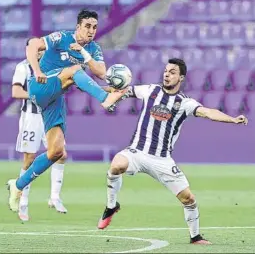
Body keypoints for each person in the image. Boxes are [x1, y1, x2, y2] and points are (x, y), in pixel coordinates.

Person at [97, 58, 248, 245]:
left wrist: (232, 119)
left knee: (188, 198)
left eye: (172, 72)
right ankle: (111, 206)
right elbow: (118, 90)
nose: (167, 74)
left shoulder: (184, 103)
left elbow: (208, 112)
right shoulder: (149, 90)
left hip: (162, 160)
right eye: (166, 71)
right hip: (137, 152)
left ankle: (195, 236)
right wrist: (87, 87)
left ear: (181, 78)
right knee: (116, 165)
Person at [7, 9, 126, 212]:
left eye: (94, 27)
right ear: (78, 26)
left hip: (54, 98)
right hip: (39, 86)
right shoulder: (62, 37)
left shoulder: (93, 49)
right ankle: (105, 100)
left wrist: (84, 54)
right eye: (87, 26)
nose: (91, 31)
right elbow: (34, 44)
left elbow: (101, 73)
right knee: (75, 71)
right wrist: (36, 70)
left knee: (56, 152)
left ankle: (17, 185)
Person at [12, 50, 67, 221]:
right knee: (29, 159)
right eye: (37, 50)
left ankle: (54, 197)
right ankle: (23, 201)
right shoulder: (23, 67)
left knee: (61, 154)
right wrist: (37, 94)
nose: (41, 53)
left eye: (43, 50)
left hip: (49, 116)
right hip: (31, 118)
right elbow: (15, 92)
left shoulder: (53, 67)